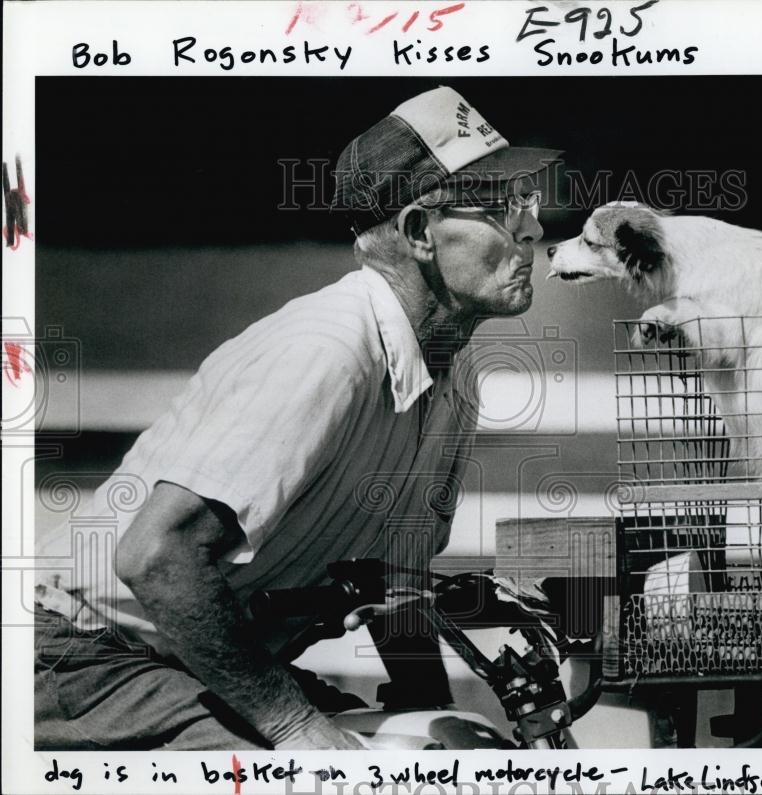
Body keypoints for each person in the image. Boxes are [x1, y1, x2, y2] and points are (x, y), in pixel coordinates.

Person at [33, 86, 561, 750]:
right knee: (317, 770)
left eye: (527, 201)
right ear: (420, 233)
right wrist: (293, 724)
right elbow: (155, 554)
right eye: (499, 206)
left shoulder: (452, 372)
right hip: (78, 656)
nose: (533, 228)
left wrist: (433, 718)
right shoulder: (327, 352)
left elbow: (393, 579)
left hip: (179, 662)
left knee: (445, 748)